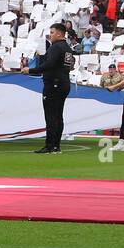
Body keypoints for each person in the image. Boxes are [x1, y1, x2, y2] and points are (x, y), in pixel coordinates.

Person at [26, 21, 71, 154]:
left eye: (52, 33)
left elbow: (49, 65)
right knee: (58, 116)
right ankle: (56, 145)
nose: (50, 35)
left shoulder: (56, 47)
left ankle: (49, 145)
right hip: (64, 83)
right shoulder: (67, 48)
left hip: (54, 84)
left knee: (51, 116)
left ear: (59, 33)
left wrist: (30, 70)